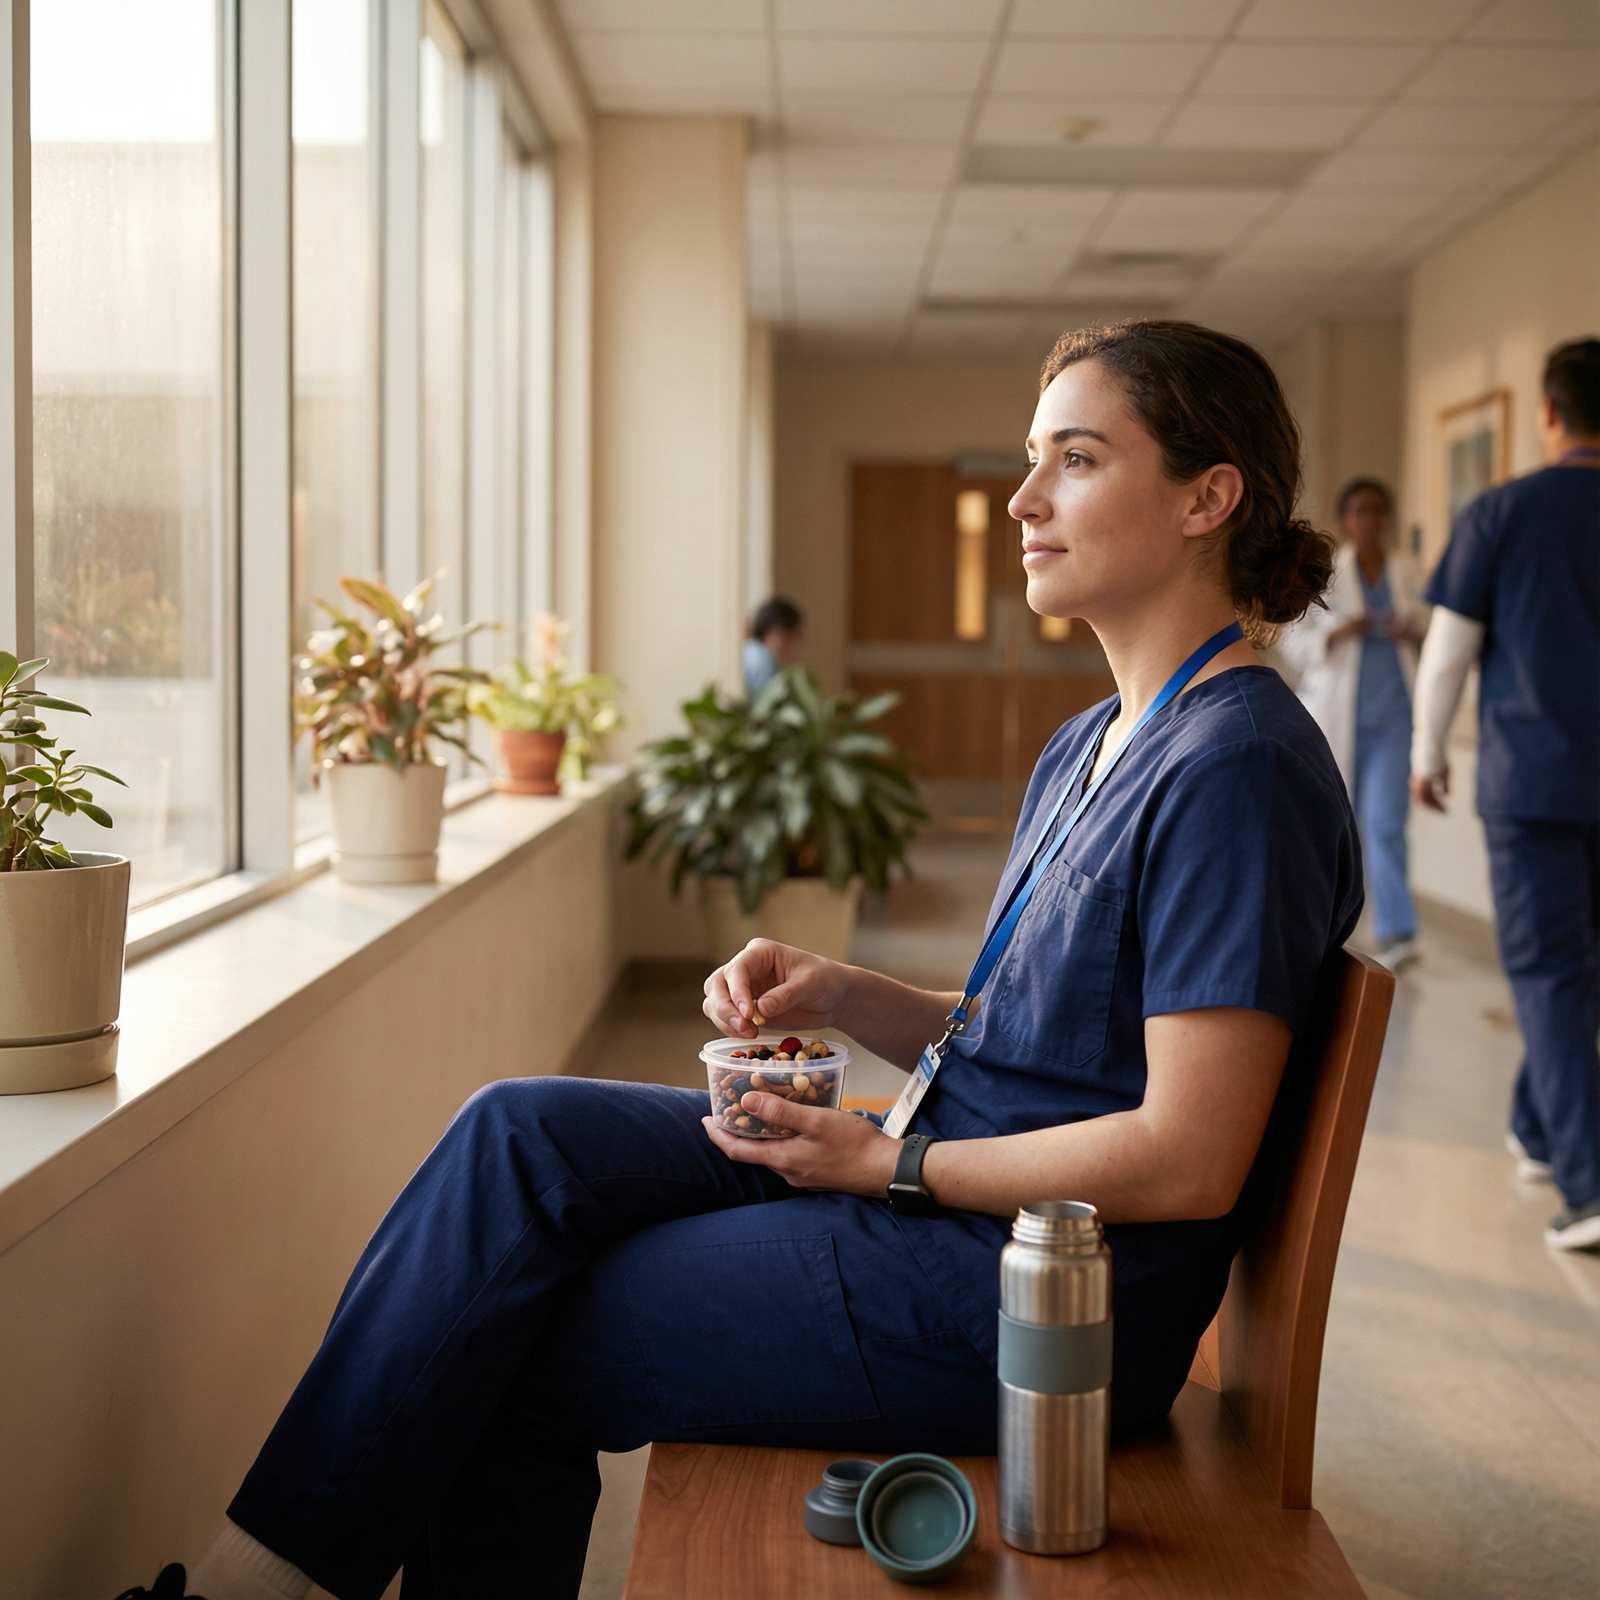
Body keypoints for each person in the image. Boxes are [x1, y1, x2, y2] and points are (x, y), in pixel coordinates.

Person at [117, 321, 1361, 1600]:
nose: (1024, 497)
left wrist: (891, 1162)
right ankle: (247, 1582)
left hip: (1035, 1291)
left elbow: (1190, 1152)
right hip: (940, 1195)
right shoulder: (1095, 740)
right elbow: (1039, 1026)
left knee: (512, 1334)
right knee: (516, 1136)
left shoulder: (1238, 770)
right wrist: (844, 991)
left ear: (1209, 496)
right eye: (1033, 457)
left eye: (1078, 460)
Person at [1411, 338, 1600, 1252]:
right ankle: (1538, 1128)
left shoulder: (1504, 512)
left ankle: (1589, 1183)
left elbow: (1448, 651)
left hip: (1533, 783)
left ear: (1549, 412)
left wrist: (1425, 751)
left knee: (1552, 972)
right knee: (1578, 973)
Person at [1280, 478, 1428, 971]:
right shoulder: (1328, 574)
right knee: (1330, 828)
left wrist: (1415, 631)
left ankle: (1397, 933)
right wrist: (1341, 631)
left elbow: (1436, 629)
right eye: (1362, 510)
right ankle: (1320, 931)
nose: (1372, 519)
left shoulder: (1408, 571)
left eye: (1380, 510)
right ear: (1347, 520)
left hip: (1394, 721)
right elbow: (1292, 641)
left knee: (1385, 826)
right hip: (1336, 721)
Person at [741, 595, 804, 697]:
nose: (794, 645)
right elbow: (765, 706)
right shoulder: (762, 661)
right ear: (778, 632)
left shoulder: (752, 650)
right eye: (793, 636)